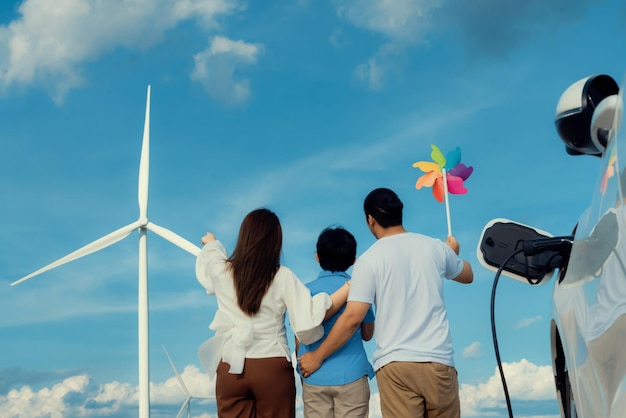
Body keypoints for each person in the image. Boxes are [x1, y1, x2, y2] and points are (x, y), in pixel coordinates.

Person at [299, 188, 474, 418]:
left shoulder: (369, 260)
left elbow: (352, 318)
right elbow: (467, 275)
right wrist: (453, 253)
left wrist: (318, 356)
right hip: (438, 360)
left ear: (370, 220)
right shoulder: (435, 247)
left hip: (395, 366)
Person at [195, 208, 350, 418]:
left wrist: (212, 242)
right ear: (275, 242)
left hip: (231, 366)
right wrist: (349, 286)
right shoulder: (282, 276)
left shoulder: (221, 271)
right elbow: (307, 320)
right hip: (271, 365)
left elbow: (212, 259)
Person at [296, 226, 376, 418]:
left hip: (313, 375)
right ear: (353, 260)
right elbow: (367, 334)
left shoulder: (304, 291)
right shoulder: (358, 288)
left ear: (317, 257)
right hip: (352, 373)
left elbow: (299, 336)